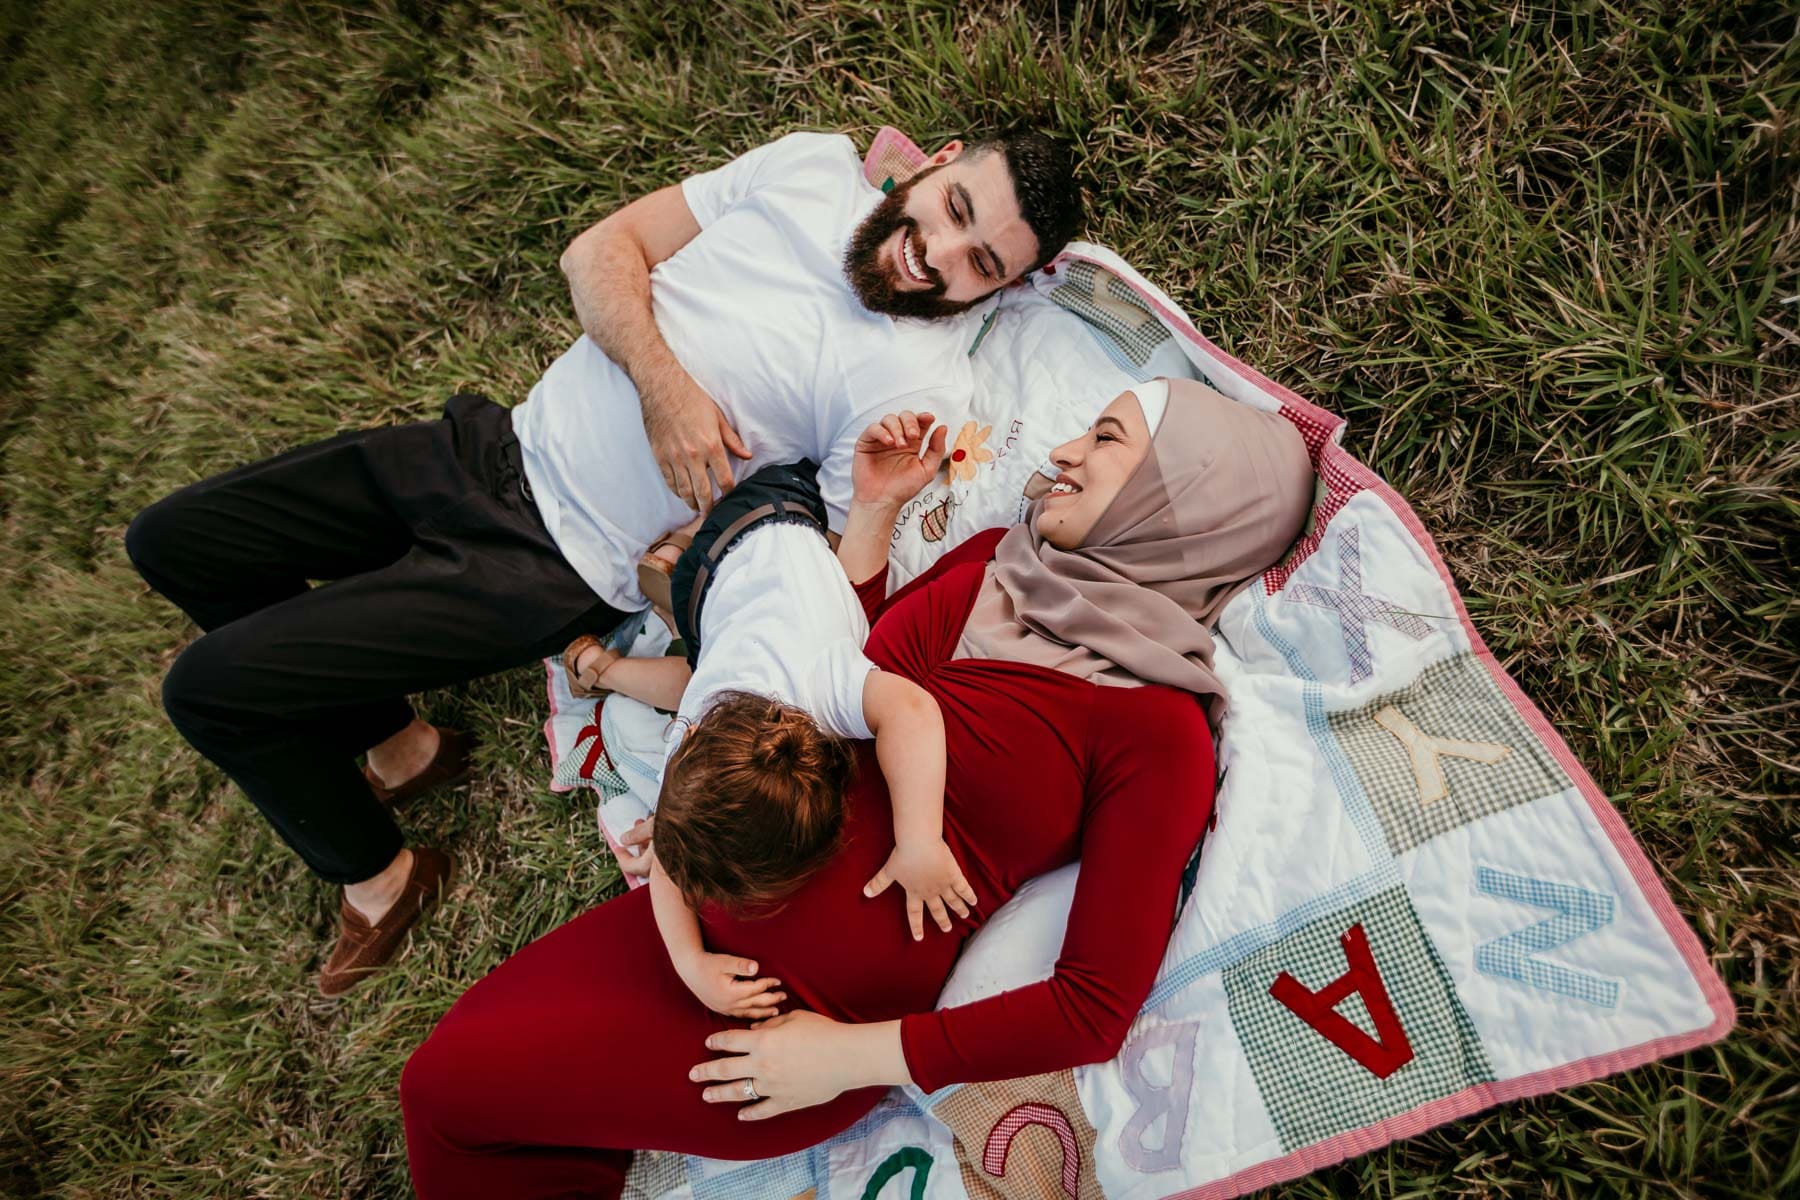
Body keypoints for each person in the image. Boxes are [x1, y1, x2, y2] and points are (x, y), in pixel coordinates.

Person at [123, 127, 1080, 995]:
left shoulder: (914, 384)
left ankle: (380, 874)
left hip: (548, 566)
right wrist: (666, 389)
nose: (936, 255)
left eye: (980, 264)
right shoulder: (808, 168)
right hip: (486, 447)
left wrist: (839, 519)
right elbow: (597, 254)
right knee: (171, 542)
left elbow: (827, 570)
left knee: (207, 692)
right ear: (933, 163)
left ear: (998, 290)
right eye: (954, 208)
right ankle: (398, 745)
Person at [400, 378, 1315, 1197]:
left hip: (796, 1023)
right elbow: (844, 670)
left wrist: (846, 1058)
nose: (1067, 451)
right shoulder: (994, 562)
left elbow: (1093, 1007)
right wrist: (874, 514)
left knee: (447, 1096)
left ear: (1186, 501)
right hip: (697, 900)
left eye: (1107, 439)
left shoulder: (1157, 732)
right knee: (463, 1099)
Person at [565, 451, 979, 1021]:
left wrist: (920, 842)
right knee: (695, 675)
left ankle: (641, 616)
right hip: (735, 551)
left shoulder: (806, 693)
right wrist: (689, 962)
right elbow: (670, 862)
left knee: (708, 670)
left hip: (753, 538)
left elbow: (910, 711)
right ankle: (614, 659)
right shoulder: (706, 733)